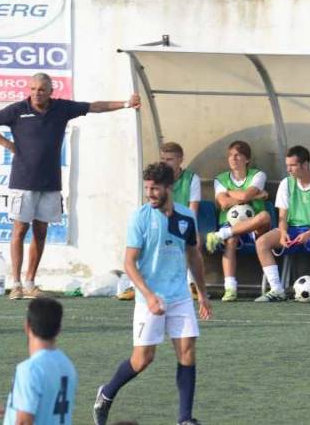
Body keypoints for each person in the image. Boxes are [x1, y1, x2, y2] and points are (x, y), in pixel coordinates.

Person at [0, 72, 140, 300]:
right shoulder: (17, 110)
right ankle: (15, 284)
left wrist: (125, 104)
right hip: (23, 182)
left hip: (50, 183)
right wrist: (8, 144)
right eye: (33, 89)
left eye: (41, 89)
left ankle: (30, 282)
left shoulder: (61, 108)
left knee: (41, 233)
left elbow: (95, 107)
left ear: (51, 91)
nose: (36, 93)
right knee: (19, 231)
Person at [94, 162, 212, 425]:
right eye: (147, 188)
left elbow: (194, 257)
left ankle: (184, 419)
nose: (150, 193)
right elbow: (129, 263)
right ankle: (107, 392)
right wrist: (148, 295)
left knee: (188, 352)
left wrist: (202, 294)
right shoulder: (140, 217)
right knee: (143, 359)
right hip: (150, 298)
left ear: (169, 188)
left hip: (180, 296)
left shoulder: (185, 218)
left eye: (155, 188)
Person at [118, 142, 202, 301]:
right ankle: (135, 285)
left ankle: (192, 285)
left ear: (180, 159)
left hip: (181, 223)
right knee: (143, 246)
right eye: (163, 159)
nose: (165, 162)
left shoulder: (191, 179)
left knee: (193, 246)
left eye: (169, 159)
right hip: (158, 221)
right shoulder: (142, 211)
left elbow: (193, 208)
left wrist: (192, 229)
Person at [254, 145, 310, 302]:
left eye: (292, 165)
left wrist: (308, 234)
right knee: (261, 242)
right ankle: (277, 289)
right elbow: (282, 216)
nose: (289, 169)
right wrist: (283, 232)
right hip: (292, 228)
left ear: (305, 165)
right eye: (287, 165)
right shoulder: (286, 183)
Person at [0, 297, 77, 424]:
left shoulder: (30, 369)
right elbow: (50, 410)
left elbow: (24, 422)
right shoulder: (67, 366)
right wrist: (9, 411)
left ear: (27, 326)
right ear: (59, 329)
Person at [204, 141, 272, 301]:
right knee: (232, 240)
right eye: (230, 156)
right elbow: (225, 203)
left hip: (255, 224)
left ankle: (221, 235)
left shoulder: (258, 175)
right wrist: (256, 195)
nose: (232, 159)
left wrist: (231, 192)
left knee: (265, 216)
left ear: (247, 159)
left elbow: (244, 196)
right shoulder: (220, 179)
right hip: (230, 222)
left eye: (237, 155)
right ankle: (230, 288)